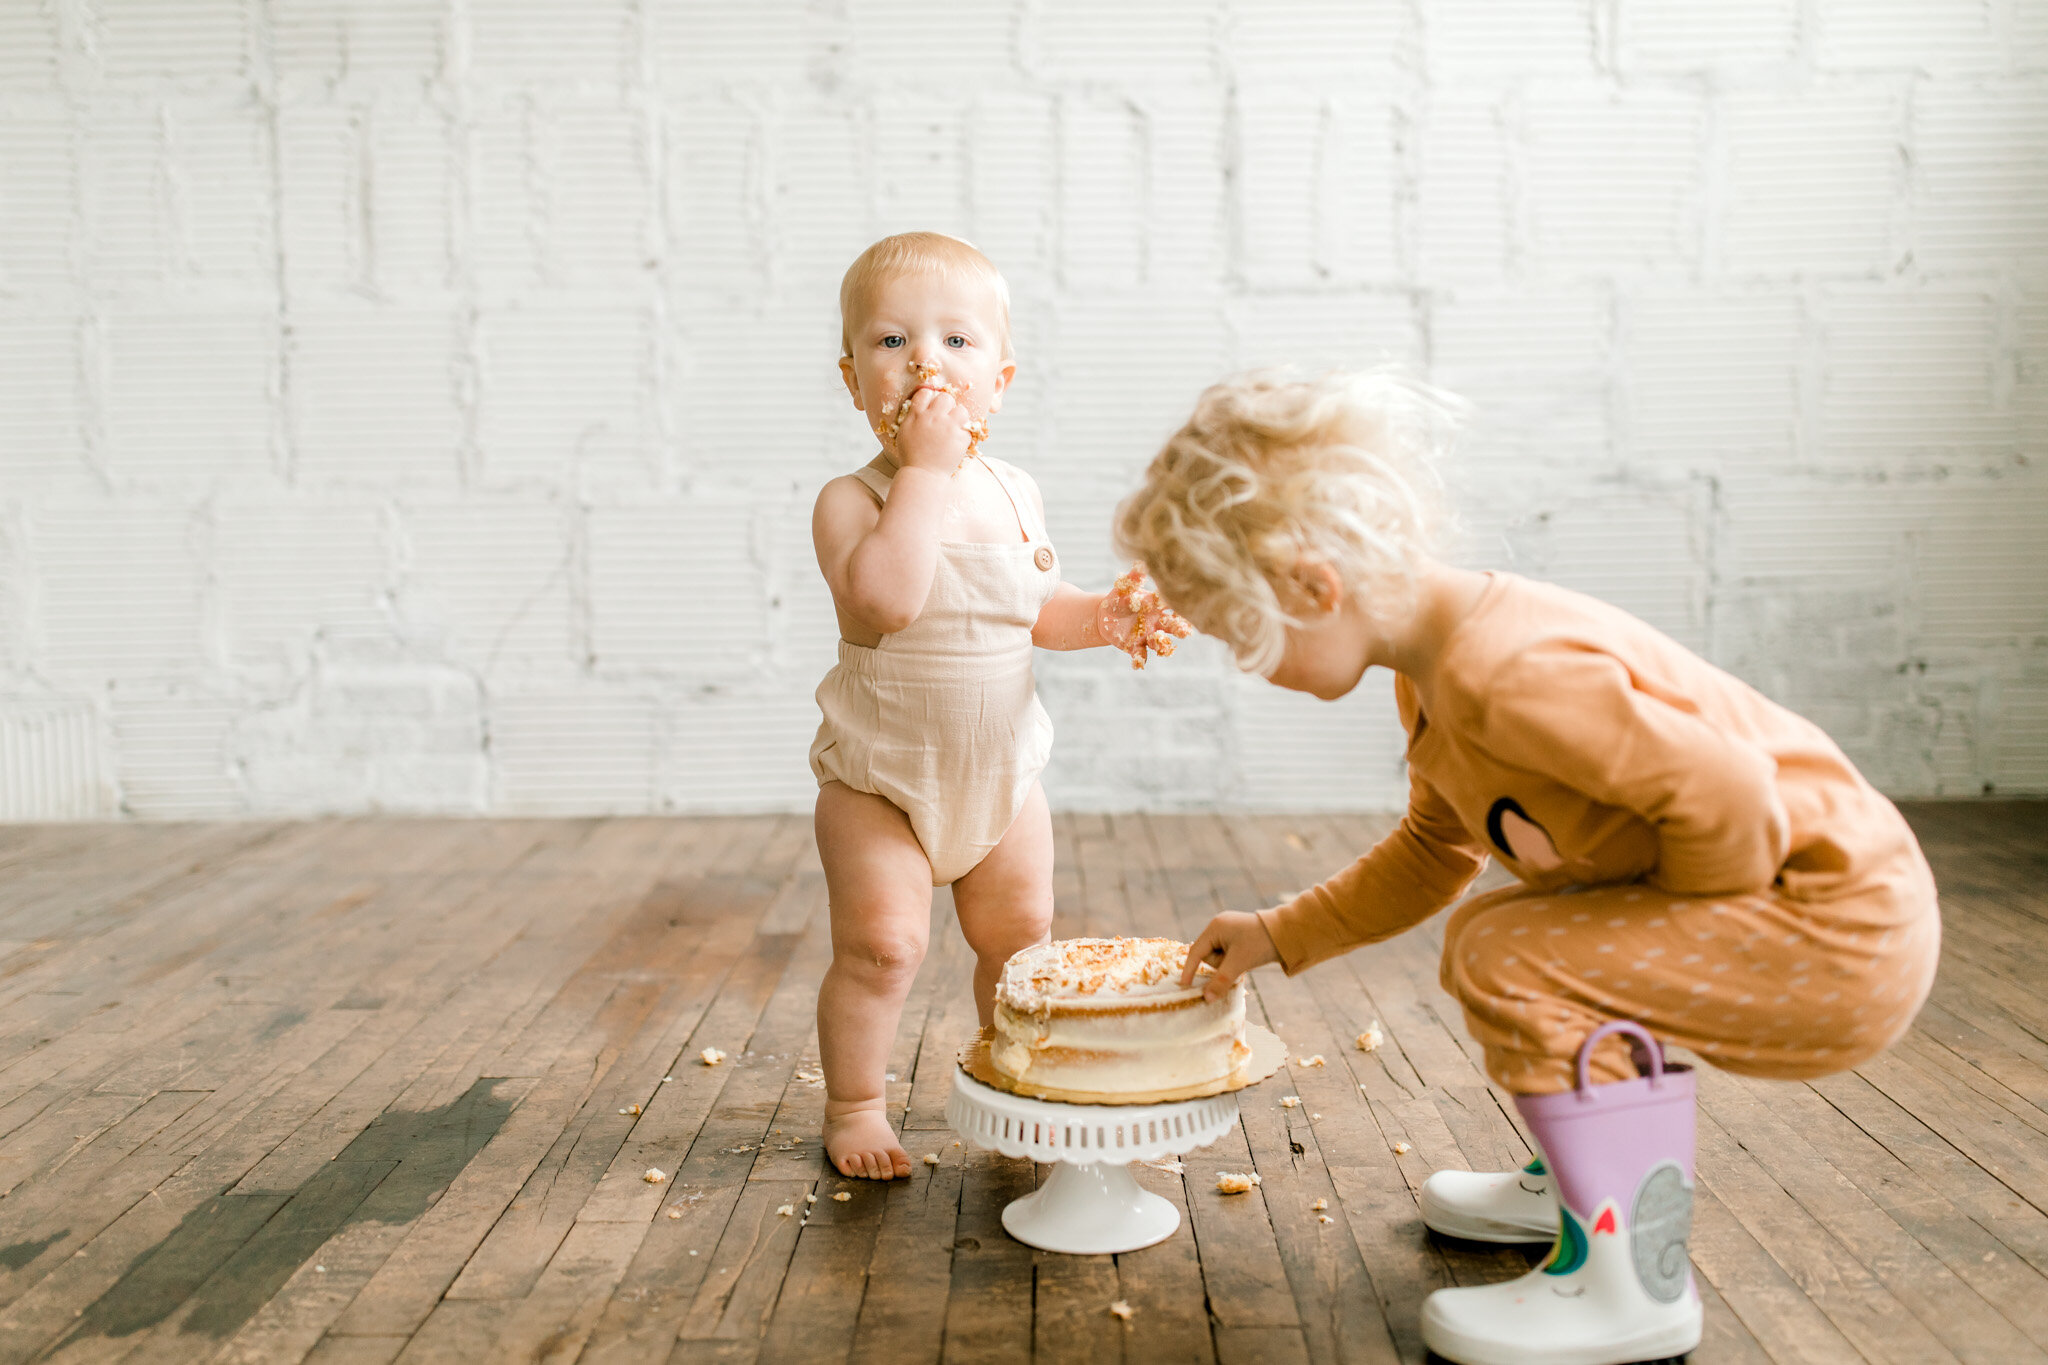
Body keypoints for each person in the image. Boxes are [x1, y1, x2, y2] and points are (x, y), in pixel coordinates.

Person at [1118, 369, 1939, 1365]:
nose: (1247, 665)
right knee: (1521, 941)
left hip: (1836, 928)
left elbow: (1730, 795)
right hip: (1805, 908)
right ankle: (1577, 1174)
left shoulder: (1508, 675)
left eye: (1238, 635)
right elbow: (1433, 850)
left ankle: (1628, 1284)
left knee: (1505, 950)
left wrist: (1655, 926)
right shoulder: (1435, 681)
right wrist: (1280, 932)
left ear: (1309, 586)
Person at [809, 232, 1186, 1180]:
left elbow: (1030, 614)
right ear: (854, 380)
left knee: (1020, 944)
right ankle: (856, 1102)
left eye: (956, 343)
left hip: (1001, 775)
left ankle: (1016, 1077)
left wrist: (1105, 615)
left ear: (1000, 381)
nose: (926, 361)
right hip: (881, 782)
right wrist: (927, 474)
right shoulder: (852, 501)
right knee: (884, 948)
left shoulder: (1016, 492)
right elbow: (889, 601)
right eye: (892, 342)